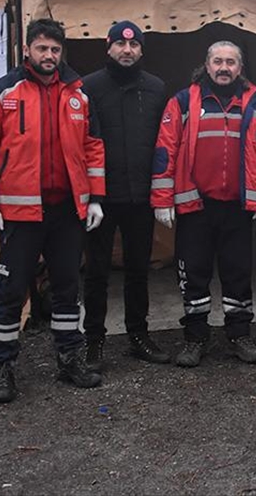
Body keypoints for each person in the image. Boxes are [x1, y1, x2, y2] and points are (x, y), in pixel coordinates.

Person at [0, 18, 106, 403]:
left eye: (55, 50)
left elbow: (93, 147)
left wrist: (95, 197)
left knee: (66, 288)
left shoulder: (78, 94)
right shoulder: (3, 91)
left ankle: (68, 359)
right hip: (17, 213)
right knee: (11, 291)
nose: (49, 56)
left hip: (66, 212)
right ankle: (3, 368)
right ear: (27, 50)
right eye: (42, 48)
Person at [151, 41, 256, 367]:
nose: (224, 68)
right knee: (194, 274)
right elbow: (164, 152)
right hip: (195, 207)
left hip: (238, 209)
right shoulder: (183, 102)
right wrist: (162, 198)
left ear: (240, 68)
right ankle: (196, 338)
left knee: (238, 274)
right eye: (217, 61)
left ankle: (239, 335)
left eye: (231, 62)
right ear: (206, 65)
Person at [80, 20, 169, 371]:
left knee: (137, 270)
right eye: (120, 44)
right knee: (97, 271)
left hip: (141, 197)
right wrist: (90, 196)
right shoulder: (88, 87)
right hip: (102, 198)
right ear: (109, 47)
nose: (127, 51)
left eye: (133, 46)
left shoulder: (157, 88)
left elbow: (165, 144)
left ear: (142, 50)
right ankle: (93, 341)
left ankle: (138, 335)